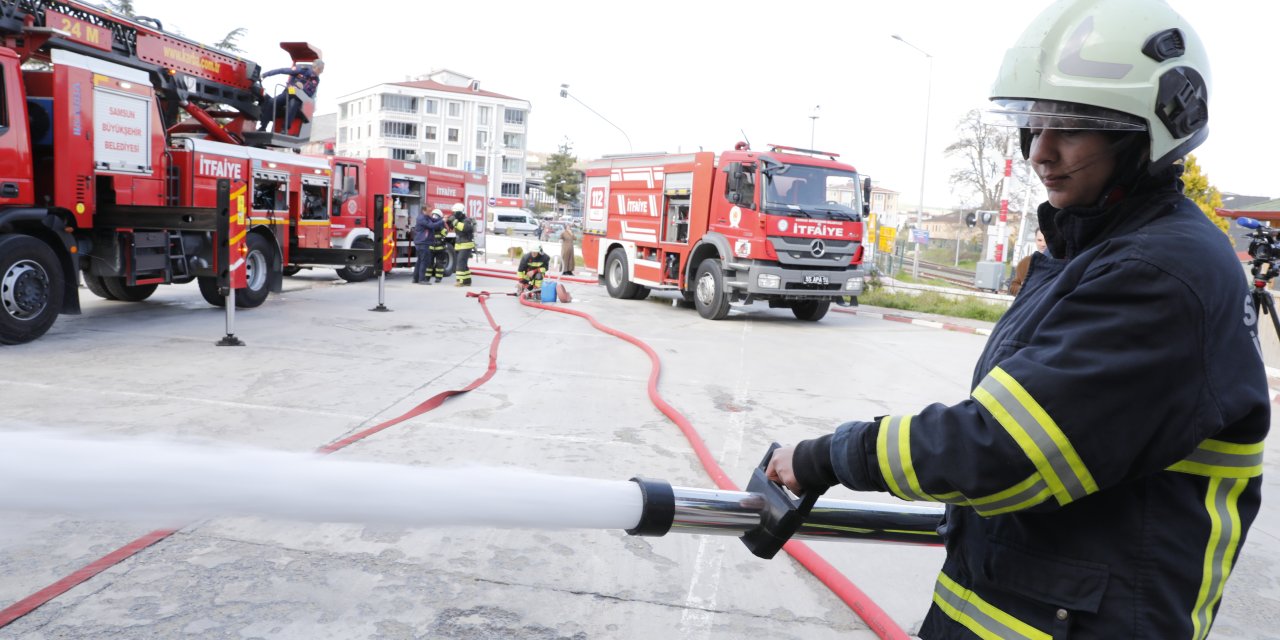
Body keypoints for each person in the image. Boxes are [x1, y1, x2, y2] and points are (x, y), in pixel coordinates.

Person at [766, 1, 1268, 638]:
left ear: (1152, 131)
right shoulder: (1096, 252)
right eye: (1033, 123)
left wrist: (825, 457)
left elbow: (1001, 448)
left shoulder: (1162, 276)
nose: (1040, 151)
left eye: (1072, 125)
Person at [258, 60, 324, 133]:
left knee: (293, 103)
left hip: (300, 98)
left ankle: (284, 129)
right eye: (321, 70)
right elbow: (282, 70)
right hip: (290, 91)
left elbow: (310, 93)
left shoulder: (316, 80)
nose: (321, 72)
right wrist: (265, 74)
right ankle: (263, 126)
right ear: (318, 68)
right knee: (271, 102)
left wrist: (303, 89)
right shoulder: (301, 70)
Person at [1008, 229, 1047, 295]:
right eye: (1039, 240)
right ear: (1035, 240)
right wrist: (1023, 289)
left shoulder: (1058, 263)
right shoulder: (1025, 262)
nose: (1043, 244)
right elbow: (1013, 286)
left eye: (1046, 240)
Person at [413, 209, 445, 284]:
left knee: (420, 261)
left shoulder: (424, 218)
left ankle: (416, 279)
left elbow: (434, 220)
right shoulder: (424, 219)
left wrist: (442, 220)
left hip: (425, 244)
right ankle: (422, 279)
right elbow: (432, 225)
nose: (431, 214)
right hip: (425, 243)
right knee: (424, 262)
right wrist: (442, 222)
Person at [451, 203, 475, 287]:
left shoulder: (467, 220)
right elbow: (452, 227)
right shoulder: (458, 220)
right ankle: (467, 281)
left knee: (460, 264)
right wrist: (449, 221)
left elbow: (465, 228)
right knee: (463, 265)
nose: (454, 214)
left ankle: (460, 281)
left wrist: (455, 222)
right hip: (459, 245)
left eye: (455, 212)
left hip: (466, 245)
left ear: (461, 212)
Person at [425, 210, 449, 284]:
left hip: (438, 248)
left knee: (437, 264)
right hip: (434, 247)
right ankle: (430, 278)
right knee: (431, 263)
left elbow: (445, 233)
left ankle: (435, 278)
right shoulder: (432, 224)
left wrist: (441, 228)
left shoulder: (441, 224)